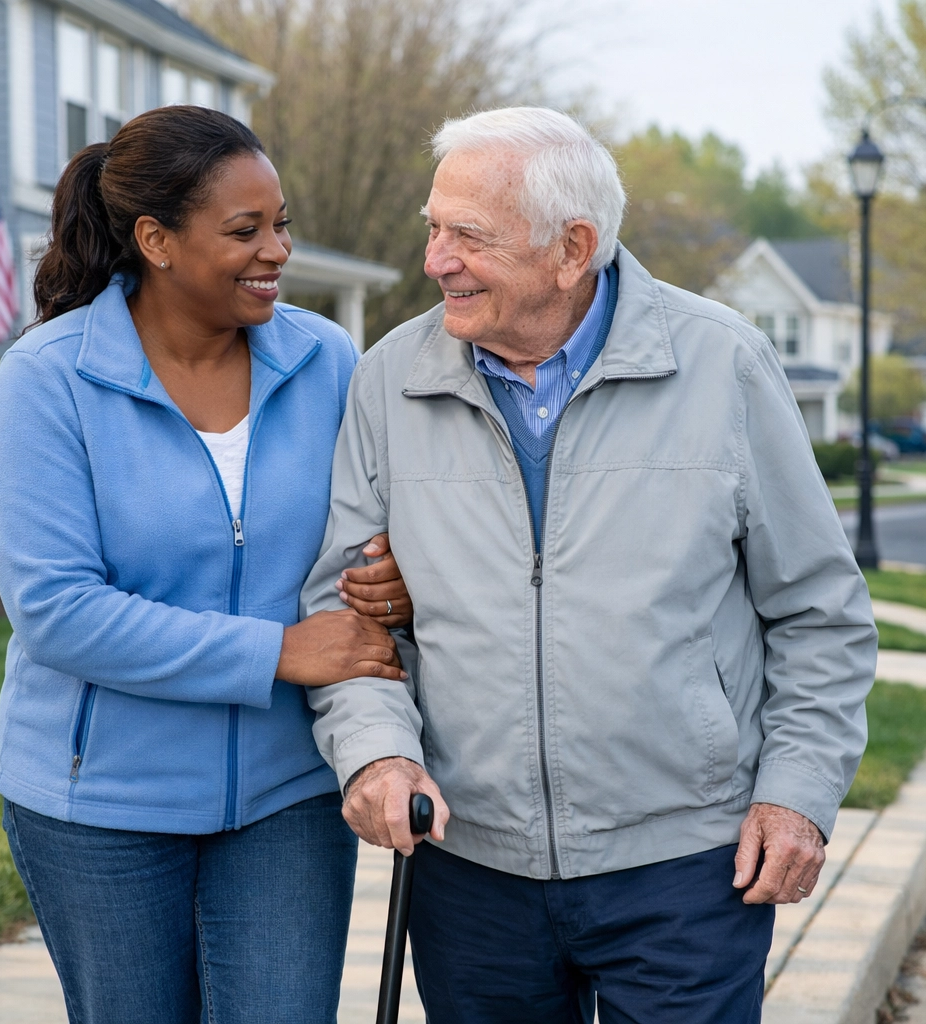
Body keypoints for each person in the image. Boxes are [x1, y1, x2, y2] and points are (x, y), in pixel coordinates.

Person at [303, 106, 878, 1023]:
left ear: (573, 248)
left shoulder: (721, 365)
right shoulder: (389, 381)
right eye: (433, 228)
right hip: (468, 869)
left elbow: (818, 613)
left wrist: (797, 798)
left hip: (689, 867)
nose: (435, 260)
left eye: (469, 236)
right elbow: (349, 623)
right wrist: (375, 756)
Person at [0, 105, 413, 1024]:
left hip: (285, 795)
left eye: (282, 223)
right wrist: (277, 651)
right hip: (99, 805)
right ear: (157, 240)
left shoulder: (328, 360)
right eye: (245, 231)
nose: (278, 251)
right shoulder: (48, 377)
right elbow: (57, 609)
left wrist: (395, 580)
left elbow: (370, 534)